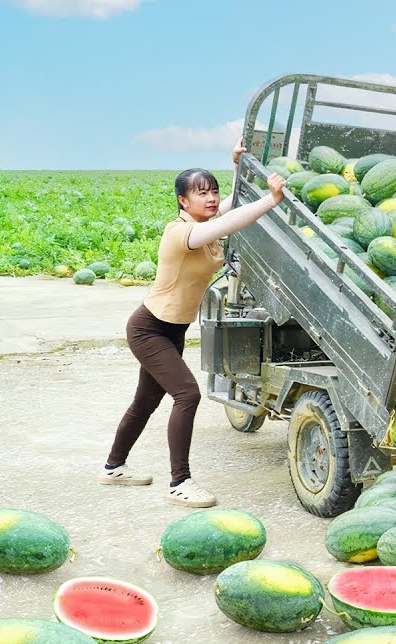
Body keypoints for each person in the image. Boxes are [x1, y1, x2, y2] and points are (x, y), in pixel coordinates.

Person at [98, 139, 286, 508]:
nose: (211, 198)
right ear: (183, 201)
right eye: (201, 193)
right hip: (148, 327)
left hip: (173, 329)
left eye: (213, 191)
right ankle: (179, 482)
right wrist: (271, 201)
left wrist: (237, 163)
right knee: (188, 394)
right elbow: (234, 218)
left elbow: (235, 202)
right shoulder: (181, 232)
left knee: (145, 401)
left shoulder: (207, 223)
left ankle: (113, 467)